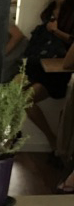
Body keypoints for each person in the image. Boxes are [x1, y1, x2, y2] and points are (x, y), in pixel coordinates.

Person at [23, 0, 74, 152]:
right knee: (21, 98)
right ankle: (55, 142)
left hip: (60, 69)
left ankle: (54, 141)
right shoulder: (49, 9)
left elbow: (72, 41)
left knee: (26, 99)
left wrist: (55, 31)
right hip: (42, 66)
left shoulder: (71, 12)